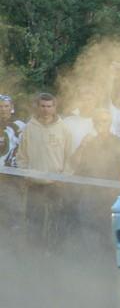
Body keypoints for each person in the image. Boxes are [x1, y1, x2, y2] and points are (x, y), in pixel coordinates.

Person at [16, 93, 75, 249]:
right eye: (42, 106)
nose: (46, 110)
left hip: (55, 184)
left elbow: (70, 157)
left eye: (49, 106)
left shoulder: (64, 129)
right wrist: (25, 175)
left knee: (55, 221)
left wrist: (64, 178)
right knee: (34, 220)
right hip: (34, 184)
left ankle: (54, 252)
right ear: (37, 106)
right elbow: (21, 155)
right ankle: (34, 252)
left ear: (55, 107)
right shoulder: (30, 127)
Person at [0, 94, 26, 167]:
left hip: (11, 169)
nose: (3, 109)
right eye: (0, 106)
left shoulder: (20, 125)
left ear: (11, 107)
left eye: (6, 106)